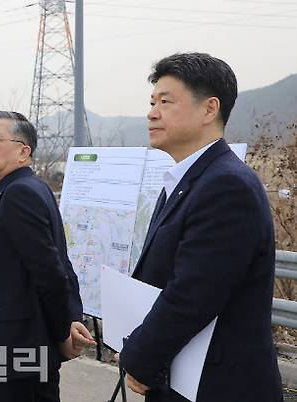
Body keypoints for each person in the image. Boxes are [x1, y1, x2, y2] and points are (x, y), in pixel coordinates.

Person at [118, 53, 283, 401]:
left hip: (220, 385)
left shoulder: (226, 186)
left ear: (209, 109)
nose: (151, 112)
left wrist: (140, 356)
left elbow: (192, 294)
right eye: (151, 102)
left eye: (166, 101)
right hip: (185, 376)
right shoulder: (189, 178)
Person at [0, 111, 95, 402]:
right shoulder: (25, 188)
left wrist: (63, 332)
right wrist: (70, 318)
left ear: (23, 152)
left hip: (14, 351)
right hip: (21, 347)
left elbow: (49, 271)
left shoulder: (18, 194)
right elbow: (59, 263)